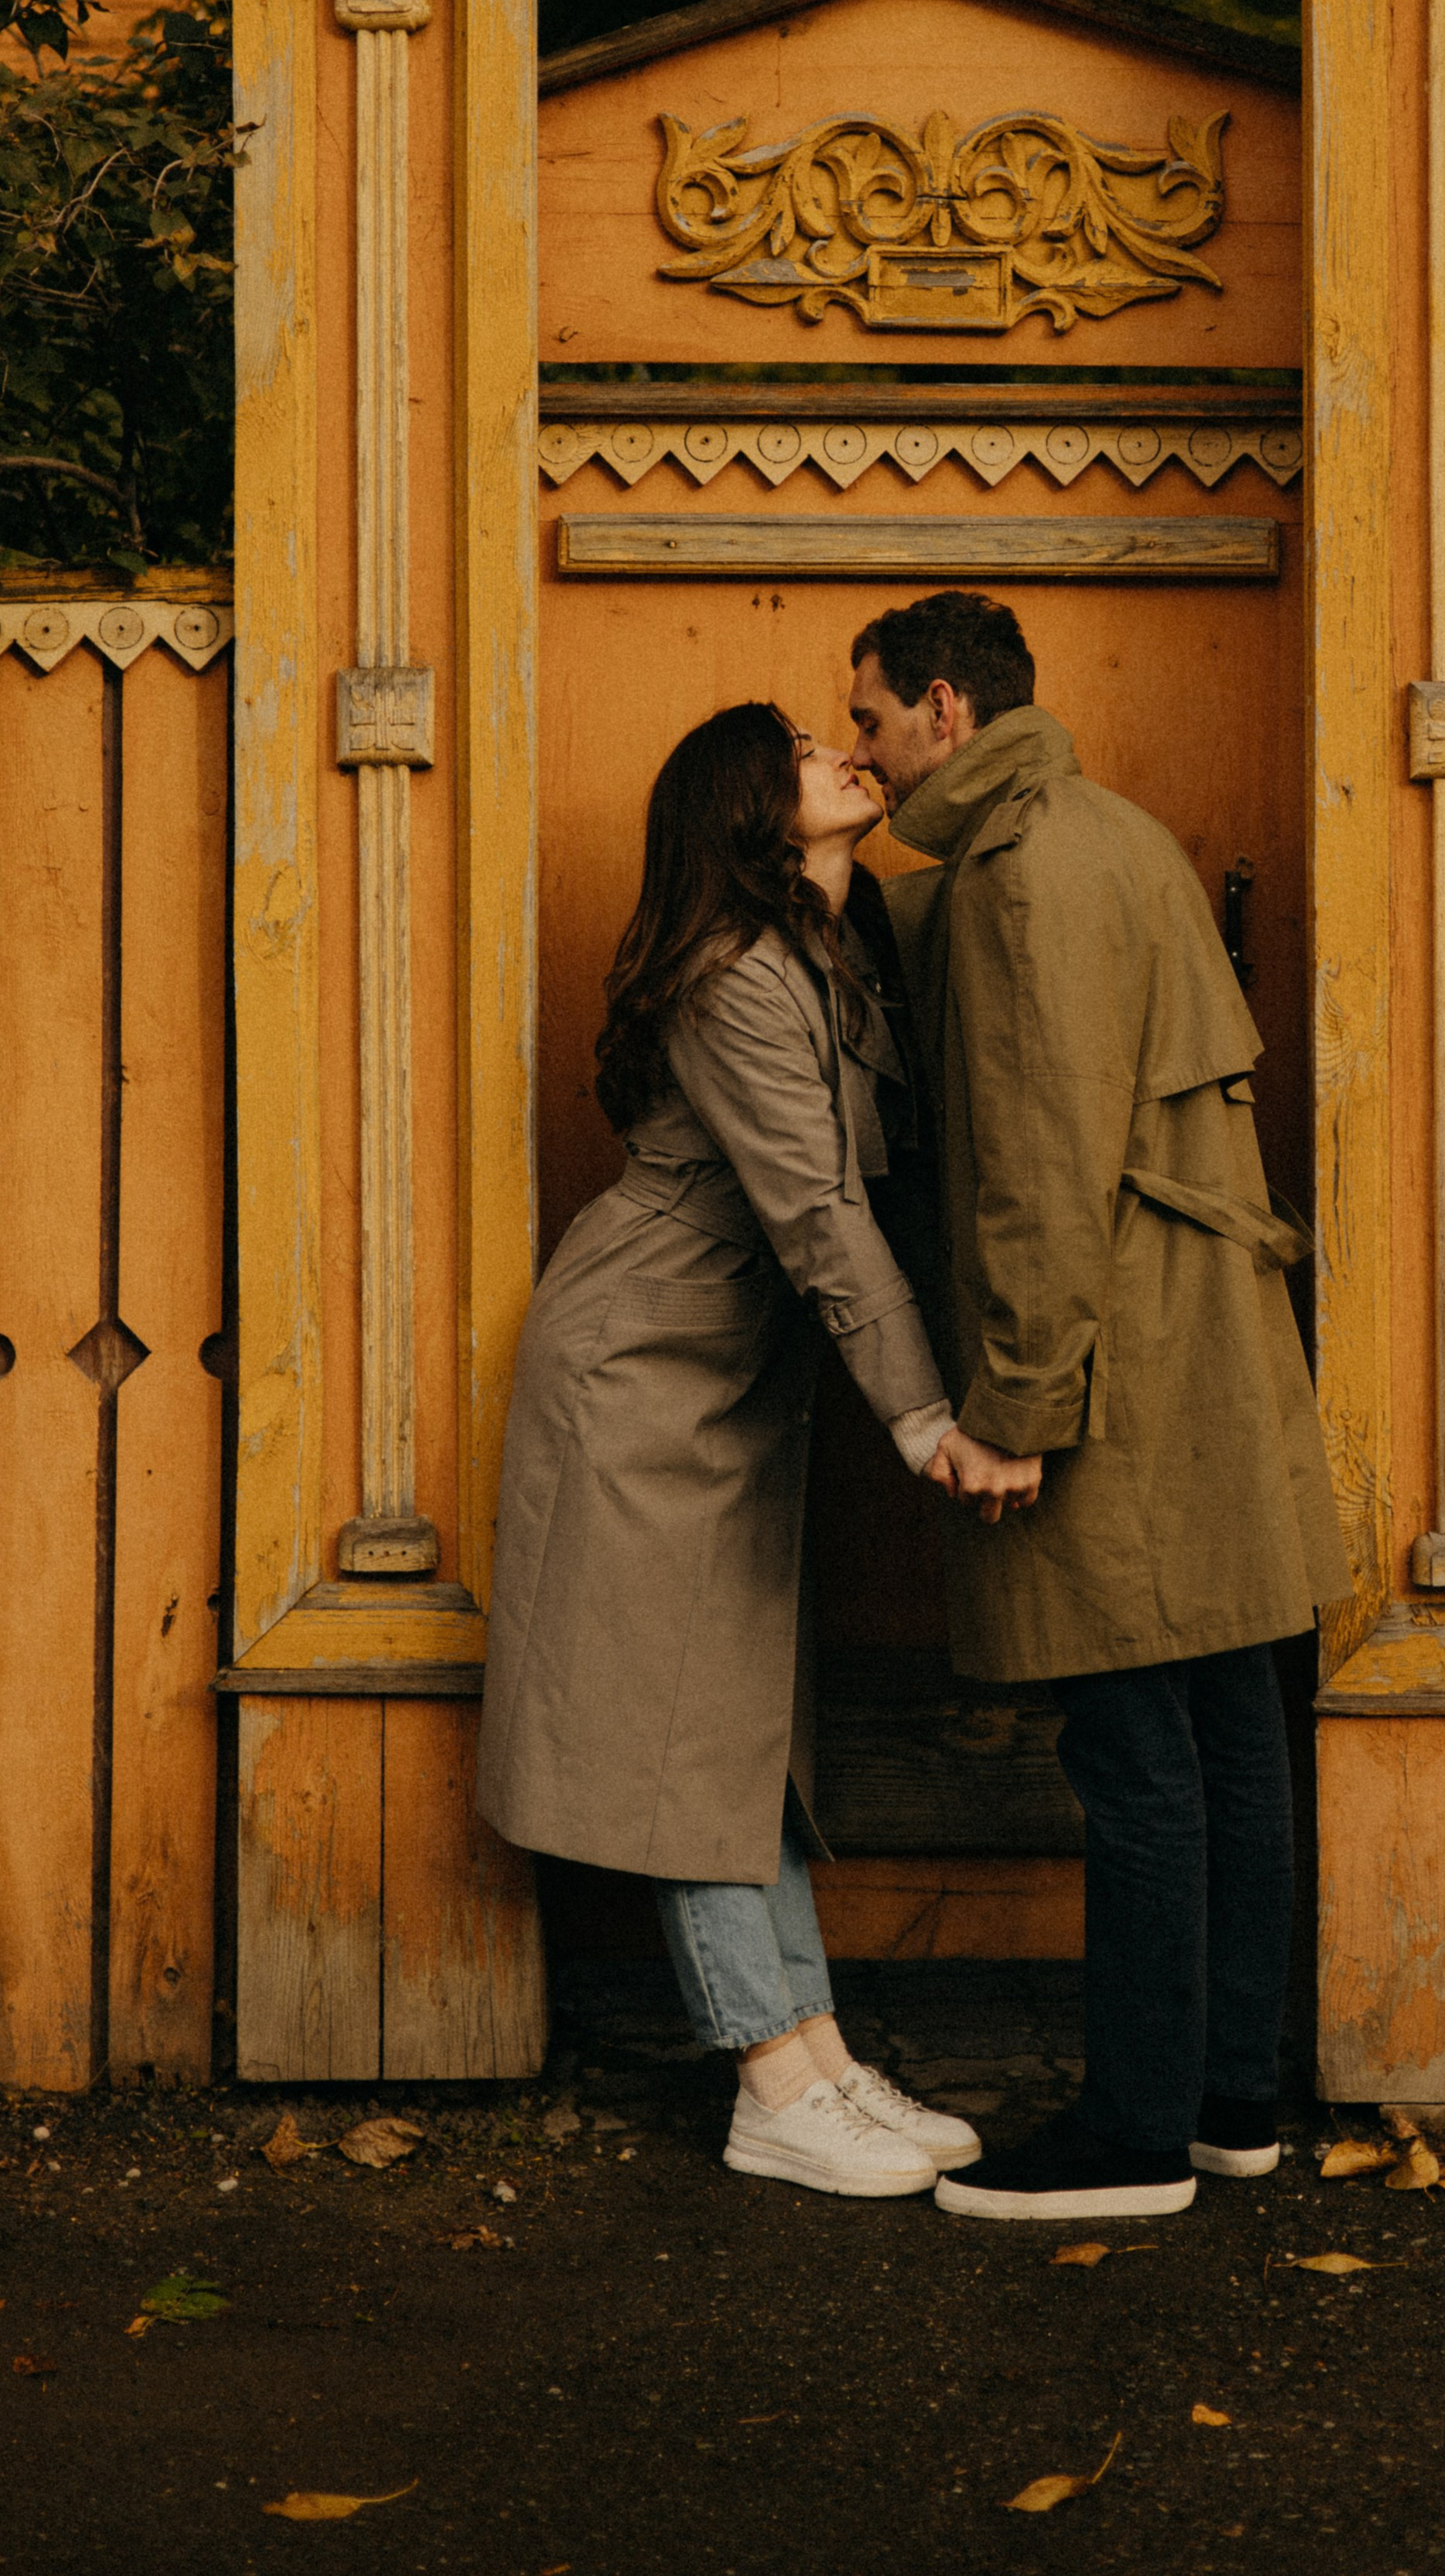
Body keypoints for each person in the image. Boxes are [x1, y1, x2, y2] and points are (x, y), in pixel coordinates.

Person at [477, 700, 1033, 2198]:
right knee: (683, 1733)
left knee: (736, 1729)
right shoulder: (733, 977)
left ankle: (819, 2054)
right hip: (643, 1377)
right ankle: (768, 2077)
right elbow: (817, 1213)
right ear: (747, 811)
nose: (843, 754)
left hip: (728, 1376)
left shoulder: (833, 954)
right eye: (803, 749)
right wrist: (927, 1420)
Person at [846, 592, 1353, 2226]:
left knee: (1134, 1748)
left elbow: (1038, 1174)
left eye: (861, 719)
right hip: (1194, 1354)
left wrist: (1012, 1407)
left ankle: (1132, 2136)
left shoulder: (1017, 874)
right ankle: (1226, 2106)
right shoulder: (1103, 833)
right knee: (1225, 1734)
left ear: (938, 709)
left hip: (1112, 1375)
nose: (855, 749)